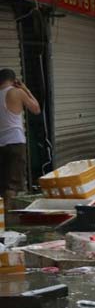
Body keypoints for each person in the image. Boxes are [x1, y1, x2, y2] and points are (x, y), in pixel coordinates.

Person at [0, 68, 40, 208]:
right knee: (13, 184)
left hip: (1, 144)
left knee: (3, 182)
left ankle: (2, 215)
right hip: (15, 143)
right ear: (14, 81)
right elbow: (36, 108)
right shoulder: (17, 92)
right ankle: (8, 218)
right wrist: (26, 89)